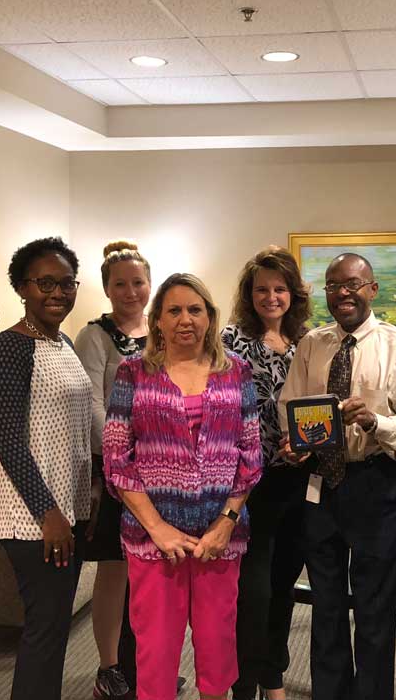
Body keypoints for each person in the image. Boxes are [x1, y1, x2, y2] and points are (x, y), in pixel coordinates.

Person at [279, 252, 396, 700]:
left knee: (374, 606)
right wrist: (293, 444)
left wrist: (374, 422)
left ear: (372, 289)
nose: (342, 293)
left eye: (351, 284)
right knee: (326, 604)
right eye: (332, 285)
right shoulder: (312, 345)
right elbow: (289, 409)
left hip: (374, 483)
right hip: (319, 485)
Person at [103, 272, 262, 700]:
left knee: (217, 649)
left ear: (210, 318)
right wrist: (157, 528)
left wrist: (226, 523)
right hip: (152, 541)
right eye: (173, 310)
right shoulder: (133, 373)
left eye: (195, 310)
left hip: (219, 538)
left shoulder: (236, 373)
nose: (185, 320)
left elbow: (250, 456)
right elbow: (118, 458)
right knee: (155, 653)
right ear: (157, 320)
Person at [0, 236, 92, 700]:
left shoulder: (62, 341)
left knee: (52, 627)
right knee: (45, 629)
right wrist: (49, 514)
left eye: (66, 283)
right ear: (21, 287)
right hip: (33, 517)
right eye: (44, 283)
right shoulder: (11, 348)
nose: (57, 292)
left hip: (66, 509)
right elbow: (8, 442)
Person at [224, 247, 312, 700]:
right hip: (248, 485)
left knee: (283, 587)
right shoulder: (229, 341)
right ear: (249, 294)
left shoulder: (310, 341)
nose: (271, 297)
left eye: (280, 289)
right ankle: (243, 684)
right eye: (262, 289)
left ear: (293, 294)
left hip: (298, 481)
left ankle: (273, 678)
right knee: (251, 591)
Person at [75, 240, 152, 700]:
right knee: (115, 571)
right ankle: (109, 666)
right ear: (106, 288)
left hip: (164, 473)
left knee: (151, 574)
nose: (130, 291)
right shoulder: (94, 336)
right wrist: (128, 454)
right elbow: (93, 406)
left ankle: (143, 662)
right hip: (117, 472)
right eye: (120, 283)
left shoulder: (163, 330)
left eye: (138, 282)